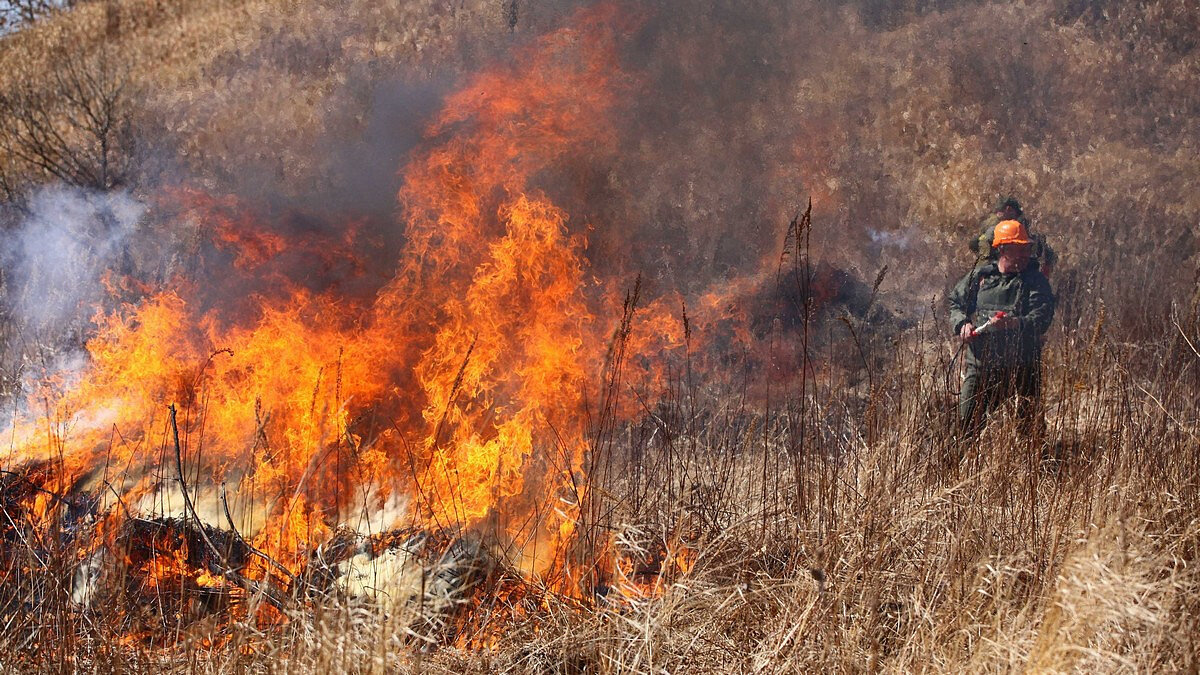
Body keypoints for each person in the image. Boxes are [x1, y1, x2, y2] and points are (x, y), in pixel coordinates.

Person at [949, 219, 1056, 439]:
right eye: (1019, 249)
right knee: (964, 428)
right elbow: (956, 304)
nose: (1025, 254)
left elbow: (1042, 318)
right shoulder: (981, 277)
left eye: (1026, 248)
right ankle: (954, 469)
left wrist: (1014, 323)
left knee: (1030, 433)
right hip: (981, 367)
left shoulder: (1035, 281)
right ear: (1002, 249)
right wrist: (962, 324)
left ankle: (1033, 470)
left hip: (1022, 368)